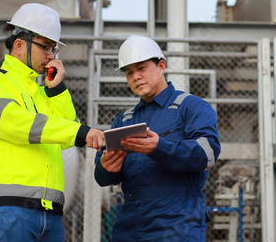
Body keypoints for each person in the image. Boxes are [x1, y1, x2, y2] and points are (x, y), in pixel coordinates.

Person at [0, 3, 104, 241]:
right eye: (46, 47)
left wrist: (58, 89)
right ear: (19, 45)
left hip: (50, 214)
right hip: (8, 211)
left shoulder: (45, 93)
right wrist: (80, 132)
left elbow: (67, 135)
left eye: (54, 49)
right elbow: (15, 123)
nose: (51, 56)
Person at [94, 35, 221, 241]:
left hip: (177, 222)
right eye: (129, 72)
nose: (135, 76)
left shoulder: (191, 107)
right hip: (130, 223)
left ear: (161, 66)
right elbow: (101, 176)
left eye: (141, 68)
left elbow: (208, 154)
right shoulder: (123, 120)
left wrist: (160, 147)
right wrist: (105, 168)